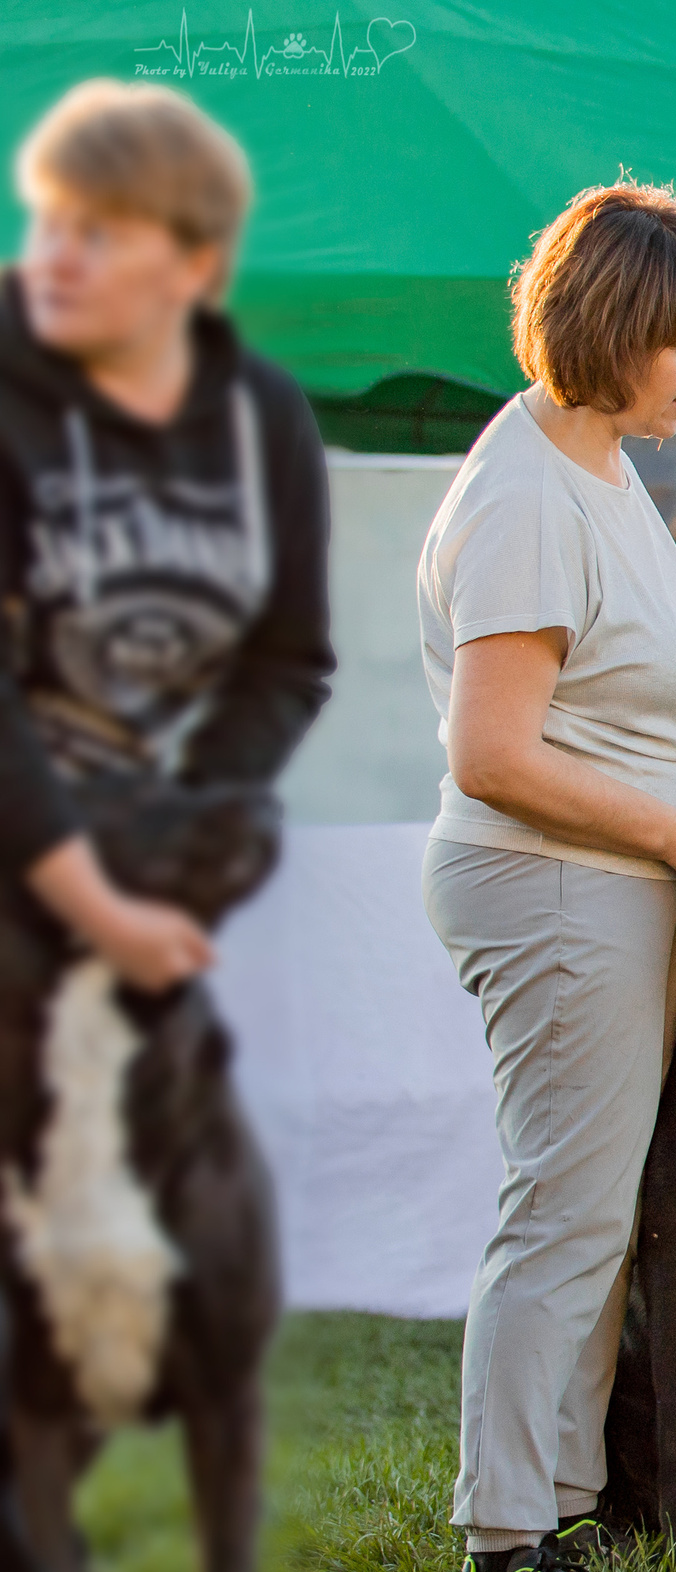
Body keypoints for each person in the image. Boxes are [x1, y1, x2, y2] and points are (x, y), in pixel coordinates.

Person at [418, 181, 676, 1572]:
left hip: (623, 876)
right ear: (612, 326)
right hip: (560, 888)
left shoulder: (604, 468)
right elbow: (494, 754)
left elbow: (641, 688)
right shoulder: (522, 495)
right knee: (563, 1208)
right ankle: (508, 1545)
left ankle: (564, 1504)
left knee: (606, 1205)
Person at [0, 80, 331, 995]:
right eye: (47, 225)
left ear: (191, 266)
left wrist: (195, 834)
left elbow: (287, 660)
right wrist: (91, 898)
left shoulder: (261, 415)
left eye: (96, 234)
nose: (54, 260)